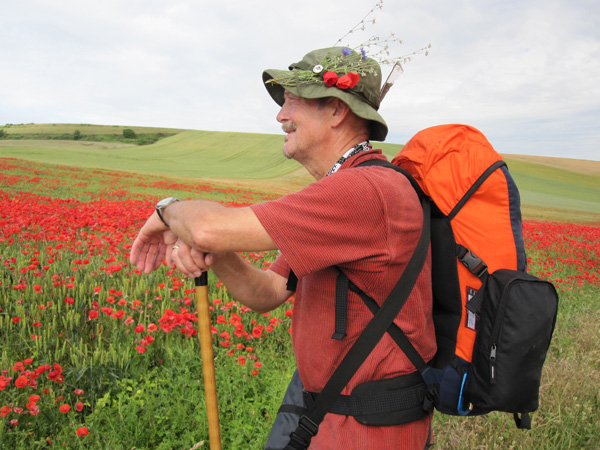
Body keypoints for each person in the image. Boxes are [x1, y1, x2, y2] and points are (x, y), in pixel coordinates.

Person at [130, 47, 436, 449]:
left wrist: (168, 210)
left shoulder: (363, 191)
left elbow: (207, 228)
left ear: (336, 110)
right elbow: (268, 292)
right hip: (335, 417)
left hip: (368, 431)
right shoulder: (343, 190)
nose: (280, 116)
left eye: (293, 101)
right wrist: (218, 256)